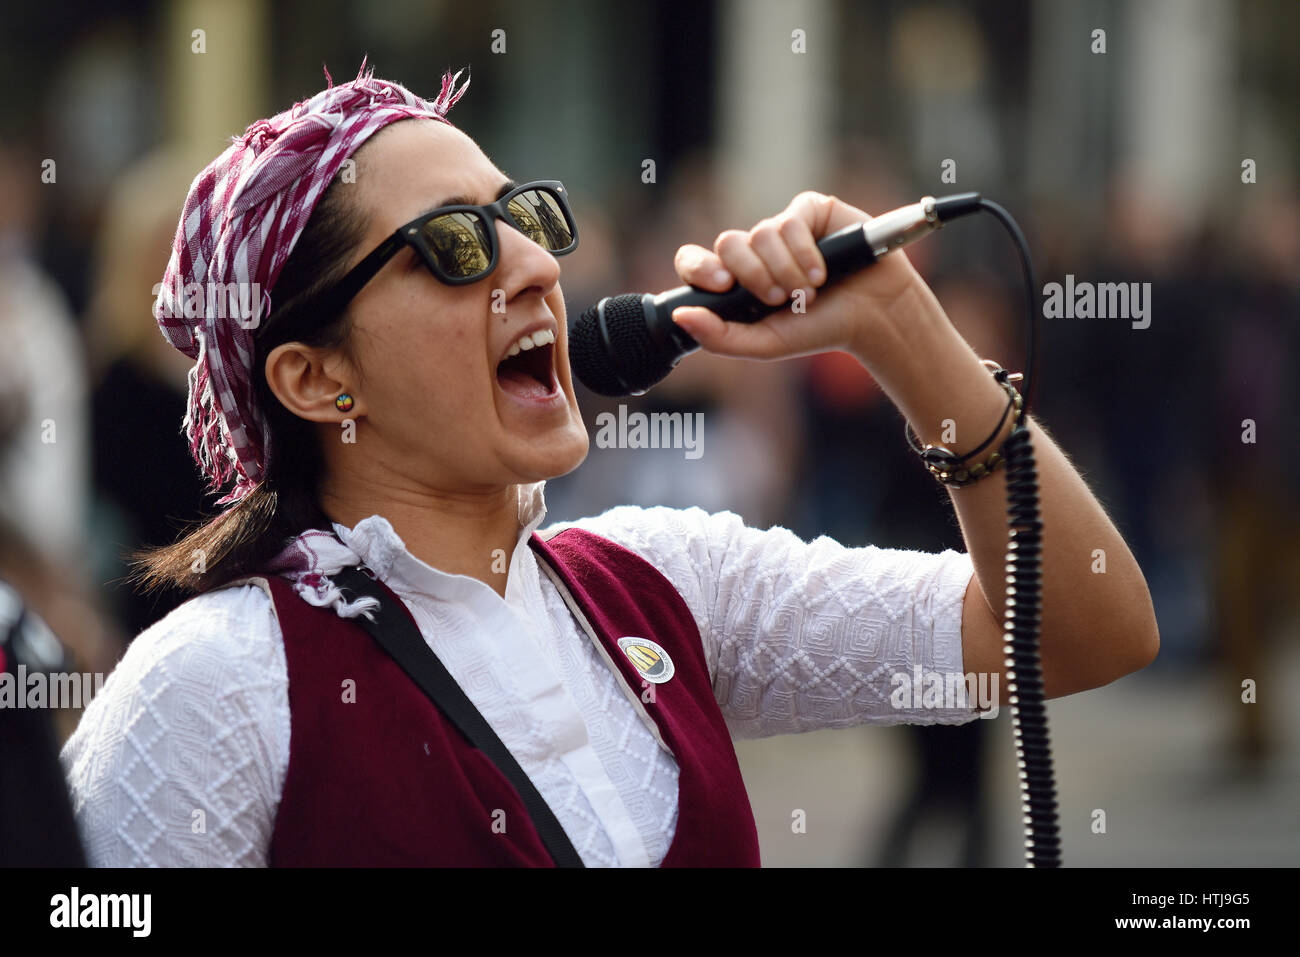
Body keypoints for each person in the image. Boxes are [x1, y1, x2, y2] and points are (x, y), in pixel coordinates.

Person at [59, 63, 1159, 867]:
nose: (536, 265)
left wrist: (899, 327)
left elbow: (1084, 628)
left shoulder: (661, 580)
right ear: (314, 379)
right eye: (456, 244)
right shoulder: (216, 684)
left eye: (526, 218)